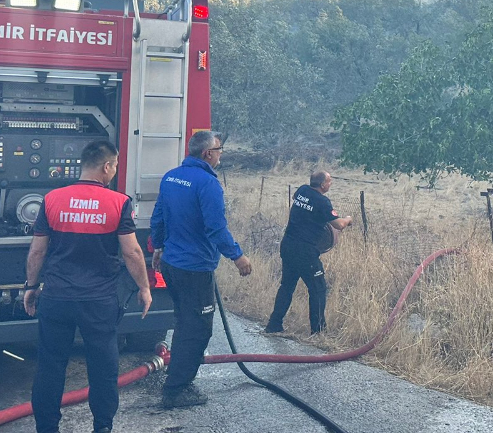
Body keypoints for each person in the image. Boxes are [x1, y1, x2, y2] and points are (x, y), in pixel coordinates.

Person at [23, 140, 151, 433]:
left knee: (50, 367)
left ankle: (46, 428)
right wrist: (144, 288)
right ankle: (102, 427)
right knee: (103, 370)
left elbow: (37, 251)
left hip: (56, 298)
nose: (115, 171)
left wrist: (31, 286)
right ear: (106, 167)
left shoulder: (52, 199)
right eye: (115, 166)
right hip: (99, 302)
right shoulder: (118, 203)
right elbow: (131, 253)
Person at [149, 130, 253, 409]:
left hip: (171, 265)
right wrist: (238, 256)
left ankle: (179, 378)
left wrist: (157, 247)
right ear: (208, 154)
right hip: (194, 269)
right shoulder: (208, 184)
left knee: (184, 323)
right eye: (219, 149)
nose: (221, 154)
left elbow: (158, 216)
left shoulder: (171, 177)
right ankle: (176, 390)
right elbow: (215, 227)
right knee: (197, 329)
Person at [265, 171, 353, 336]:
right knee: (318, 289)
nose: (331, 184)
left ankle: (273, 324)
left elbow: (307, 210)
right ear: (322, 185)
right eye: (329, 181)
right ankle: (318, 332)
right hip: (305, 251)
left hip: (288, 245)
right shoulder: (323, 202)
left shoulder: (302, 191)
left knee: (287, 286)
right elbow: (339, 225)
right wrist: (348, 219)